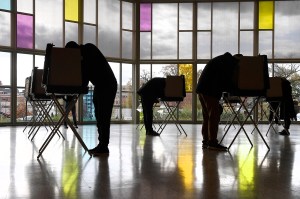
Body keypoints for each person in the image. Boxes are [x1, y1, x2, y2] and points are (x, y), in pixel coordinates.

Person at [65, 41, 117, 155]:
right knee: (99, 115)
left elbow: (85, 76)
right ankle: (102, 145)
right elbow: (84, 77)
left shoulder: (88, 50)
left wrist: (75, 90)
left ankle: (104, 146)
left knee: (103, 115)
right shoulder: (85, 53)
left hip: (108, 85)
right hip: (101, 85)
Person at [196, 52, 240, 151]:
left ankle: (206, 141)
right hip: (209, 90)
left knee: (207, 116)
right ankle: (212, 143)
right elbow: (227, 81)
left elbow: (222, 79)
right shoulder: (229, 63)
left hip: (202, 89)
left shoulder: (222, 60)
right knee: (214, 115)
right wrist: (236, 90)